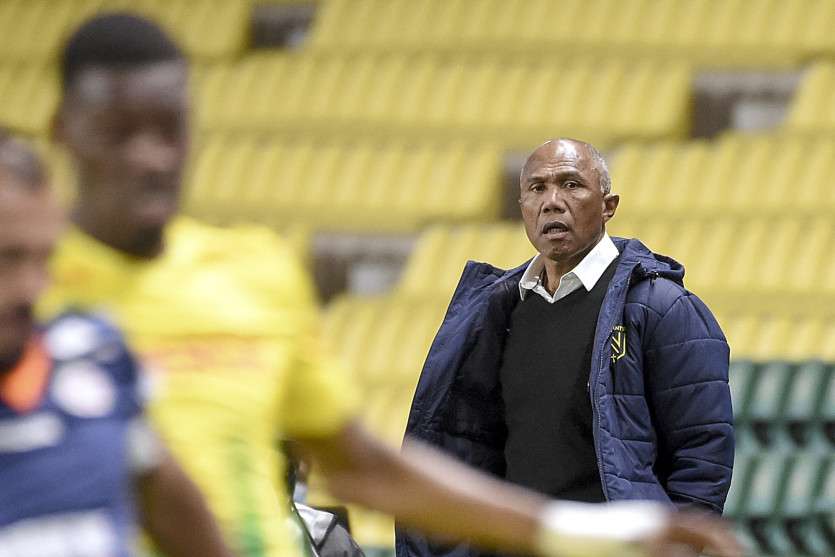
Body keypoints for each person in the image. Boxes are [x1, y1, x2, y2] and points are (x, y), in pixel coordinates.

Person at [40, 14, 741, 557]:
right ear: (63, 132)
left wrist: (595, 532)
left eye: (169, 129)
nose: (149, 157)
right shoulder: (29, 291)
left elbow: (360, 465)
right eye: (118, 131)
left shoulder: (256, 274)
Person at [397, 138, 736, 557]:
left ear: (609, 206)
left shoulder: (663, 307)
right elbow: (469, 445)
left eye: (571, 185)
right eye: (537, 188)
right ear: (522, 207)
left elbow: (702, 455)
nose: (552, 202)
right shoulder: (494, 310)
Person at [0, 130, 232, 557]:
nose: (31, 289)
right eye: (6, 258)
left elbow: (173, 511)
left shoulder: (95, 360)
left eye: (44, 258)